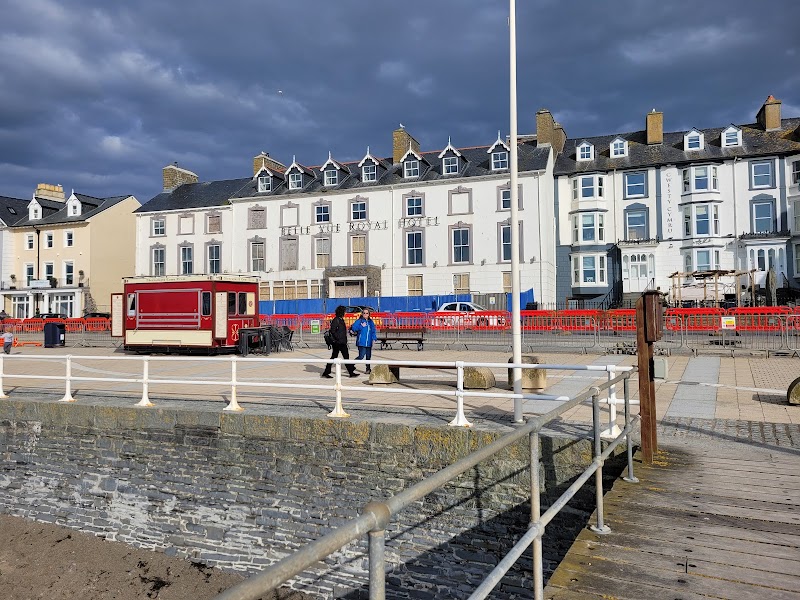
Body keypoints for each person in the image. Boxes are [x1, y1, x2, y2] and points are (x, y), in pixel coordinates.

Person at [321, 305, 358, 379]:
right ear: (341, 312)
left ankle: (350, 372)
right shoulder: (336, 320)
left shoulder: (340, 319)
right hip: (338, 343)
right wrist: (338, 338)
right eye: (344, 311)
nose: (345, 313)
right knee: (340, 357)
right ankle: (350, 372)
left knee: (339, 357)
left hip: (341, 342)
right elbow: (333, 331)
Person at [350, 308, 378, 374]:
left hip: (369, 342)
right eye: (364, 313)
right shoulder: (359, 321)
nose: (365, 314)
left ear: (369, 314)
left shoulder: (370, 322)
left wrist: (374, 338)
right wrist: (361, 327)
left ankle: (368, 369)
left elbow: (373, 331)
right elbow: (354, 328)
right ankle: (351, 365)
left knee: (368, 357)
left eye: (367, 313)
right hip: (361, 342)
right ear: (362, 314)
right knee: (361, 356)